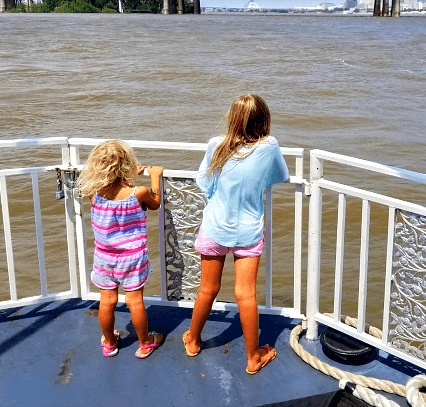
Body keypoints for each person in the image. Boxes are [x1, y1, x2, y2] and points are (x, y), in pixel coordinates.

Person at [183, 95, 289, 375]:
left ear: (232, 118)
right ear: (264, 119)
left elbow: (205, 183)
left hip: (215, 227)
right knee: (246, 294)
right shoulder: (270, 146)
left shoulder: (216, 145)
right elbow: (281, 176)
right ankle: (253, 358)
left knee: (208, 288)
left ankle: (193, 340)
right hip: (248, 231)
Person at [78, 140, 164, 359]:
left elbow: (114, 193)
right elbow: (154, 204)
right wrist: (154, 178)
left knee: (106, 301)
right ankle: (145, 343)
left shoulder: (94, 193)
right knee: (135, 301)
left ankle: (109, 342)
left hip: (104, 257)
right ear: (126, 166)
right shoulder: (139, 192)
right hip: (132, 258)